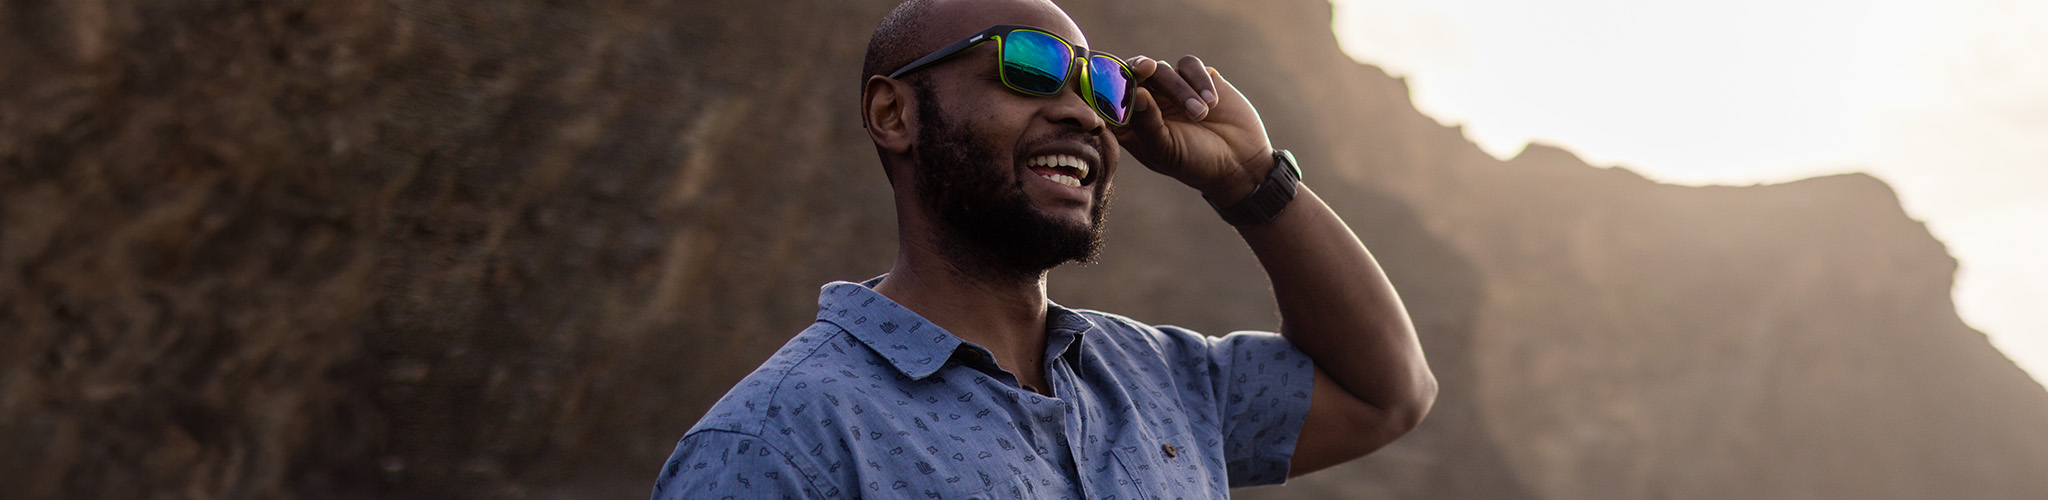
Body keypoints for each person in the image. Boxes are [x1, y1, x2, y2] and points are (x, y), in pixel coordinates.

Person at [651, 0, 1435, 497]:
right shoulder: (777, 443)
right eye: (1028, 67)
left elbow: (1387, 394)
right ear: (894, 114)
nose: (1084, 114)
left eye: (1101, 87)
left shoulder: (1160, 382)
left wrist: (1251, 180)